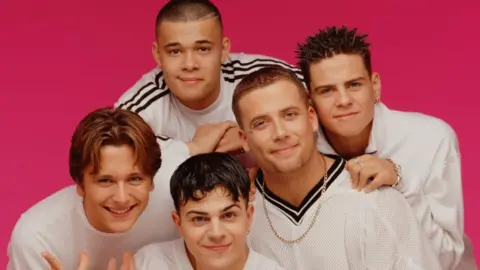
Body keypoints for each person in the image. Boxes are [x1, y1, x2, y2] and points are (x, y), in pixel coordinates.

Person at [295, 26, 474, 270]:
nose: (344, 100)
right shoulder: (299, 153)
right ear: (309, 100)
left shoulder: (432, 139)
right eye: (327, 91)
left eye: (354, 85)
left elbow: (447, 258)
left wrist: (400, 181)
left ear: (375, 86)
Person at [232, 65, 441, 269]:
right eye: (261, 123)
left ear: (312, 118)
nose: (280, 133)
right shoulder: (235, 219)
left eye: (290, 115)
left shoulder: (373, 201)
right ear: (244, 139)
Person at [114, 0, 303, 165]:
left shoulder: (262, 77)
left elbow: (325, 103)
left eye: (203, 49)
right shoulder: (141, 109)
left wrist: (251, 134)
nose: (189, 65)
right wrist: (192, 149)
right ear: (158, 54)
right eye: (175, 51)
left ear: (223, 49)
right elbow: (110, 164)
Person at [7, 108, 188, 269]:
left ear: (152, 181)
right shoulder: (38, 239)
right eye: (105, 181)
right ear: (80, 185)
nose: (122, 198)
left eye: (134, 179)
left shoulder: (179, 195)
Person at [134, 152, 284, 270]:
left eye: (229, 215)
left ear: (249, 216)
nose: (216, 233)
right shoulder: (146, 263)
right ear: (178, 223)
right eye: (199, 219)